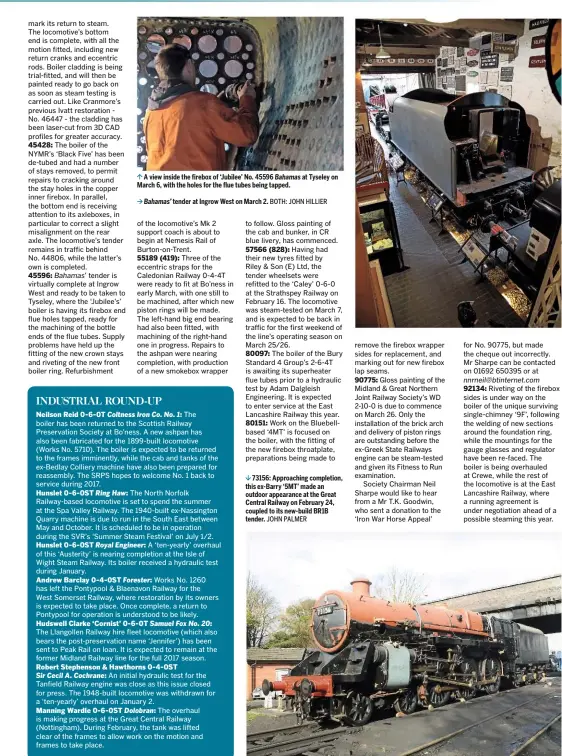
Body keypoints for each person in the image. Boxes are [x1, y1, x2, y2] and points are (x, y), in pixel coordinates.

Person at [143, 43, 259, 171]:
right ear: (188, 66)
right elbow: (246, 135)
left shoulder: (151, 113)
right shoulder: (201, 104)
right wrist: (247, 98)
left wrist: (218, 102)